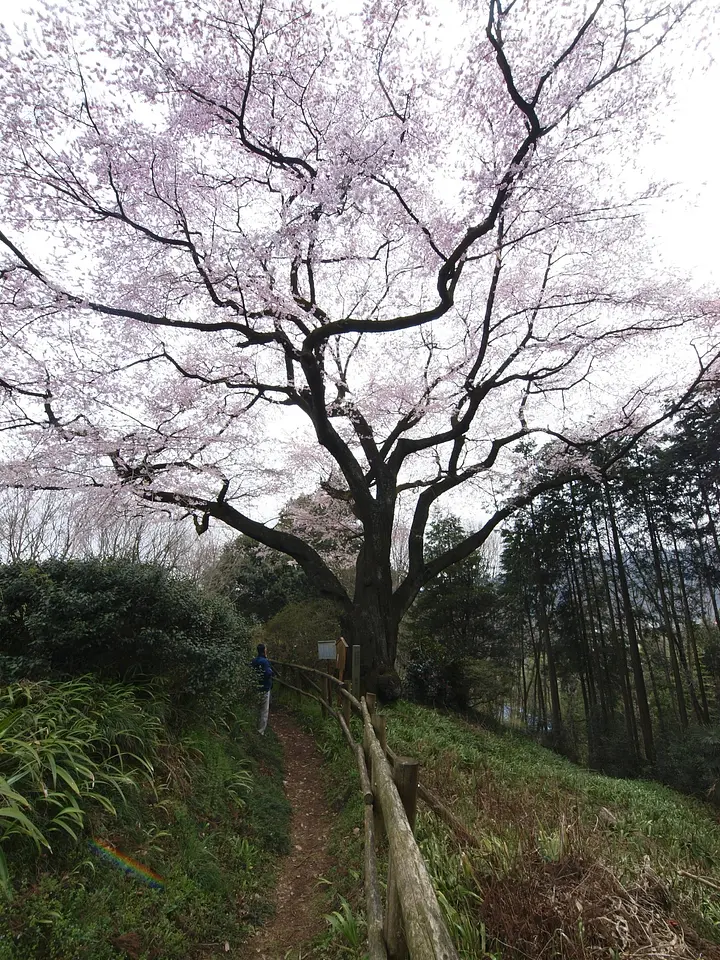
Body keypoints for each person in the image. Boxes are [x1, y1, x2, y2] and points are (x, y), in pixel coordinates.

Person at [251, 643, 274, 735]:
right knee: (264, 710)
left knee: (255, 708)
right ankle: (260, 731)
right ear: (264, 650)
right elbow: (268, 673)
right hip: (264, 688)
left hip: (255, 688)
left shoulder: (254, 661)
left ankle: (253, 727)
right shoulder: (265, 662)